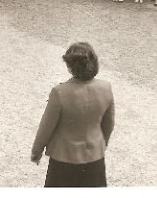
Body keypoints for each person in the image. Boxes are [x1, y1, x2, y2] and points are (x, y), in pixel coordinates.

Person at [31, 43, 115, 187]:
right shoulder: (106, 88)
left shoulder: (59, 92)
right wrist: (101, 144)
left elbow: (46, 127)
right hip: (94, 158)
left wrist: (36, 151)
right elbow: (109, 123)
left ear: (70, 67)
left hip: (64, 158)